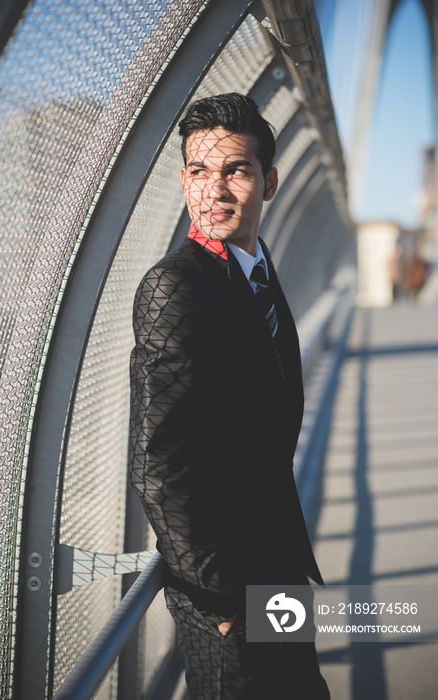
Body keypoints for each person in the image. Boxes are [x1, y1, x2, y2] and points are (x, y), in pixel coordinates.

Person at [129, 93, 330, 699]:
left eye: (235, 170)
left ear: (269, 182)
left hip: (277, 562)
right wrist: (221, 594)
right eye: (198, 171)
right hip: (227, 587)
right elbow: (157, 460)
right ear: (183, 179)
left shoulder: (258, 271)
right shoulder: (175, 287)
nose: (214, 190)